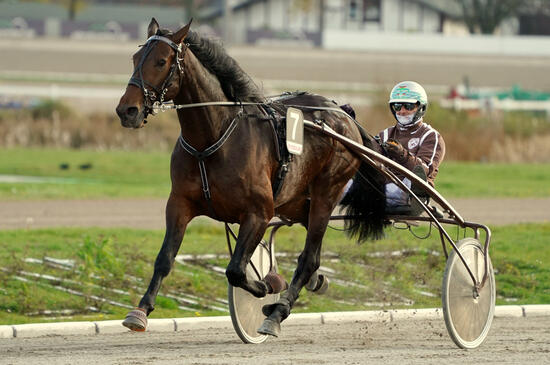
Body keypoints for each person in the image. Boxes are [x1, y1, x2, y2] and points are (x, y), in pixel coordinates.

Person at [379, 81, 445, 213]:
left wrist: (402, 154)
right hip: (381, 189)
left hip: (411, 192)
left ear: (421, 107)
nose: (402, 111)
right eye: (397, 106)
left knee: (416, 177)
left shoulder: (431, 136)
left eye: (408, 106)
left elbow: (424, 171)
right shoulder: (385, 134)